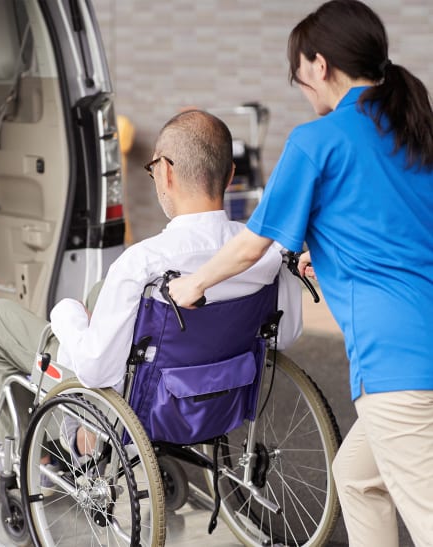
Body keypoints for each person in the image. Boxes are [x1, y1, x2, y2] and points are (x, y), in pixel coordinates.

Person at [166, 2, 433, 544]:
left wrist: (192, 285)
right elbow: (393, 228)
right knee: (356, 479)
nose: (304, 91)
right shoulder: (411, 131)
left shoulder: (319, 140)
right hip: (419, 346)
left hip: (397, 367)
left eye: (299, 76)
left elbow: (249, 247)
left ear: (317, 64)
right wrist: (331, 253)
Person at [0, 110, 303, 475]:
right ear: (231, 175)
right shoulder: (266, 252)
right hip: (217, 395)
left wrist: (67, 315)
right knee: (99, 291)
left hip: (134, 401)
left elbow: (95, 369)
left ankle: (39, 455)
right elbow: (285, 333)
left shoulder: (143, 262)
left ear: (165, 172)